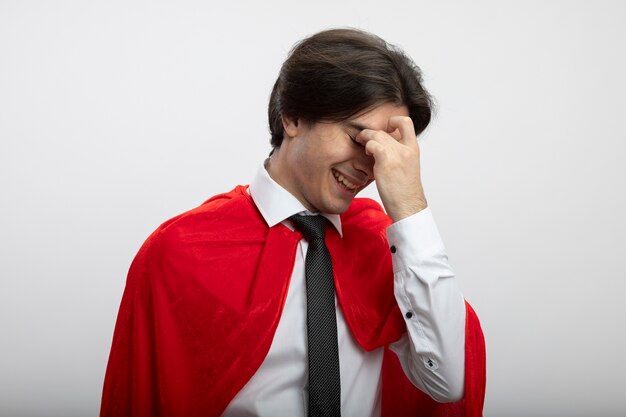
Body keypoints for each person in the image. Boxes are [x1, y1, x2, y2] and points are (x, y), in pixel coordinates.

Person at [100, 28, 486, 417]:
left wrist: (409, 206)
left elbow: (448, 383)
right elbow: (139, 396)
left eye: (386, 150)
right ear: (293, 117)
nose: (371, 166)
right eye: (358, 139)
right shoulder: (180, 251)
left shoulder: (388, 247)